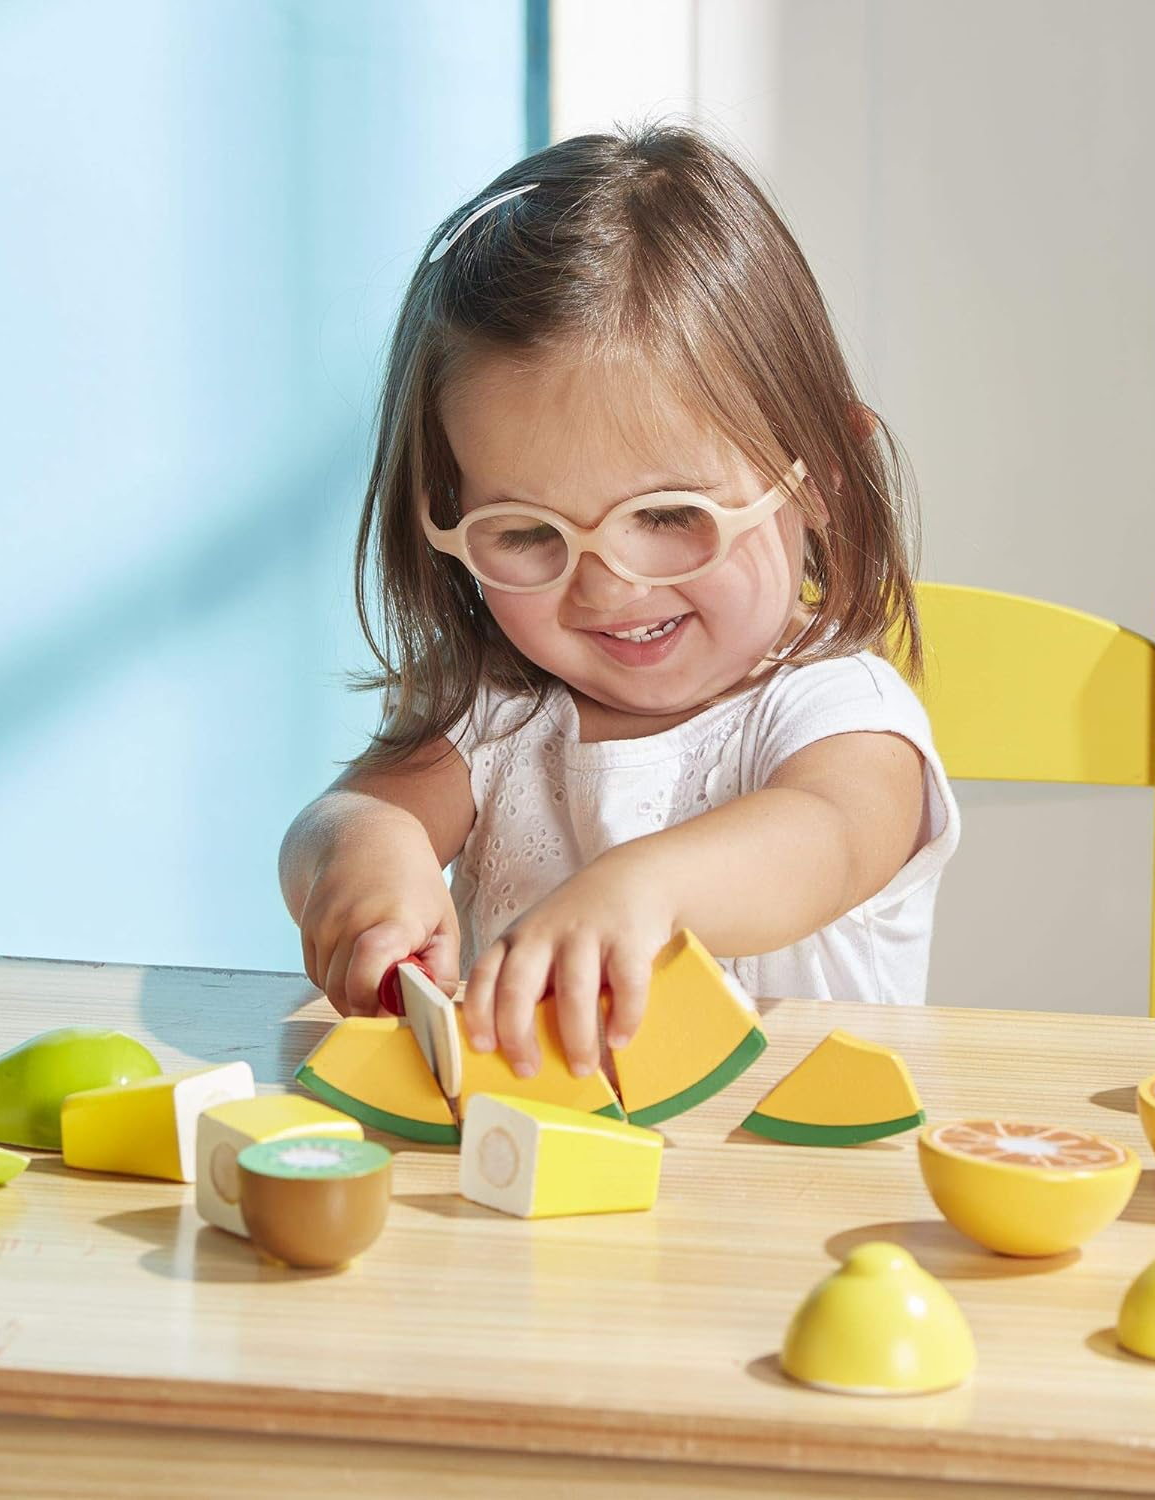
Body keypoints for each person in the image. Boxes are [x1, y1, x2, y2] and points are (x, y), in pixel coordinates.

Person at [279, 122, 959, 1083]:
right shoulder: (495, 710)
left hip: (797, 1206)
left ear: (821, 474)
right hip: (528, 1190)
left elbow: (831, 838)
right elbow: (345, 814)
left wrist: (644, 888)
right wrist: (367, 869)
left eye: (672, 514)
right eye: (525, 533)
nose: (608, 585)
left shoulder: (840, 712)